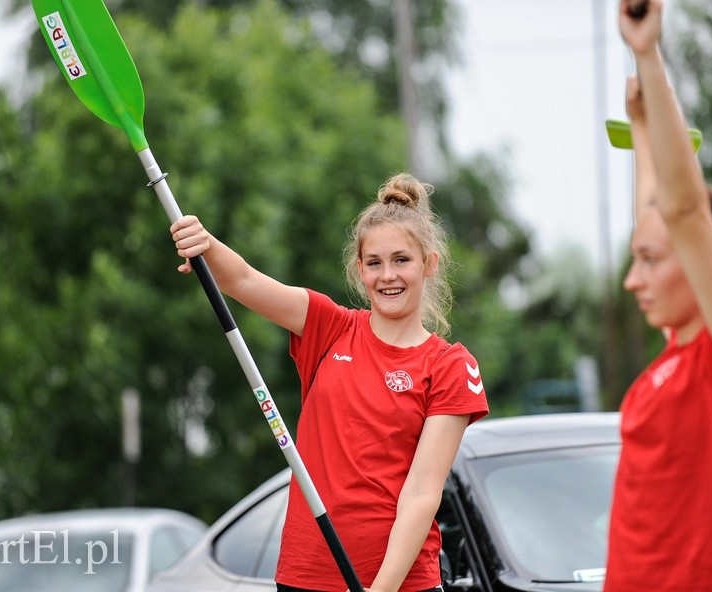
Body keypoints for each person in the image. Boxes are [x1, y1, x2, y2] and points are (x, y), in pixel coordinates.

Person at [170, 172, 489, 592]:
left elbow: (421, 494)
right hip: (307, 576)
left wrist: (382, 590)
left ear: (429, 264)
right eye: (374, 263)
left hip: (400, 584)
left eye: (401, 260)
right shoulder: (328, 327)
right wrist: (206, 244)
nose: (387, 275)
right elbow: (245, 280)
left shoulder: (449, 365)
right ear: (360, 269)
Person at [606, 1, 712, 590]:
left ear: (710, 268)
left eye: (649, 263)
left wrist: (648, 55)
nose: (634, 280)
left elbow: (681, 212)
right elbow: (658, 218)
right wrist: (646, 132)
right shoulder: (682, 354)